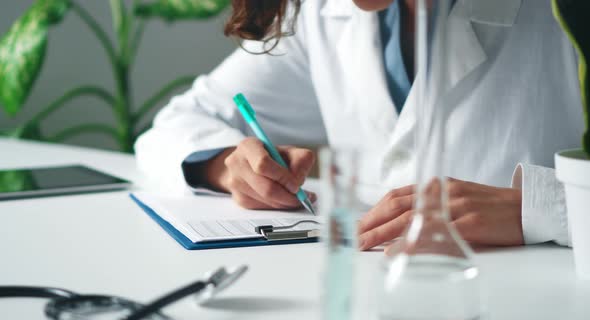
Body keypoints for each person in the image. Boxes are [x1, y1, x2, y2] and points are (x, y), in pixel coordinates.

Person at [135, 0, 582, 250]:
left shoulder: (566, 15)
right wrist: (228, 164)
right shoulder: (326, 13)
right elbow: (181, 122)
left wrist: (545, 208)